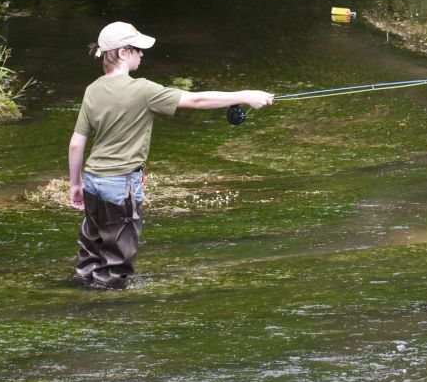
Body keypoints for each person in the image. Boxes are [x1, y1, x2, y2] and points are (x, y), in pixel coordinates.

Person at [68, 21, 273, 289]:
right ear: (121, 53)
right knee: (118, 260)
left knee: (91, 251)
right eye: (137, 49)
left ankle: (79, 296)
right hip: (121, 185)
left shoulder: (92, 89)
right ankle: (108, 314)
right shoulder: (142, 89)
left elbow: (76, 144)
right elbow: (196, 100)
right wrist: (246, 95)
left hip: (94, 182)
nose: (142, 54)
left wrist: (75, 183)